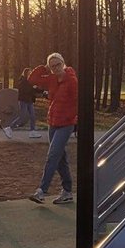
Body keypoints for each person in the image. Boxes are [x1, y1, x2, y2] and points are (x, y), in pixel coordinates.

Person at [27, 52, 77, 205]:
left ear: (63, 63)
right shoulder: (52, 79)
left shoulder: (72, 80)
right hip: (53, 122)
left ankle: (42, 191)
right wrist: (43, 67)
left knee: (53, 155)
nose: (56, 68)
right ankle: (67, 191)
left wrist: (75, 121)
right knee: (60, 158)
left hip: (66, 123)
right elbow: (32, 80)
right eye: (53, 66)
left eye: (58, 65)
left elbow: (78, 102)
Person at [11, 68, 40, 139]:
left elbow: (33, 89)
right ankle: (10, 128)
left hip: (30, 101)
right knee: (22, 117)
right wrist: (32, 87)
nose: (30, 74)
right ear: (26, 74)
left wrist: (42, 91)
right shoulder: (22, 81)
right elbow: (25, 90)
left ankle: (32, 131)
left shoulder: (31, 81)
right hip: (23, 101)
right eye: (29, 73)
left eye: (31, 73)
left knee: (33, 116)